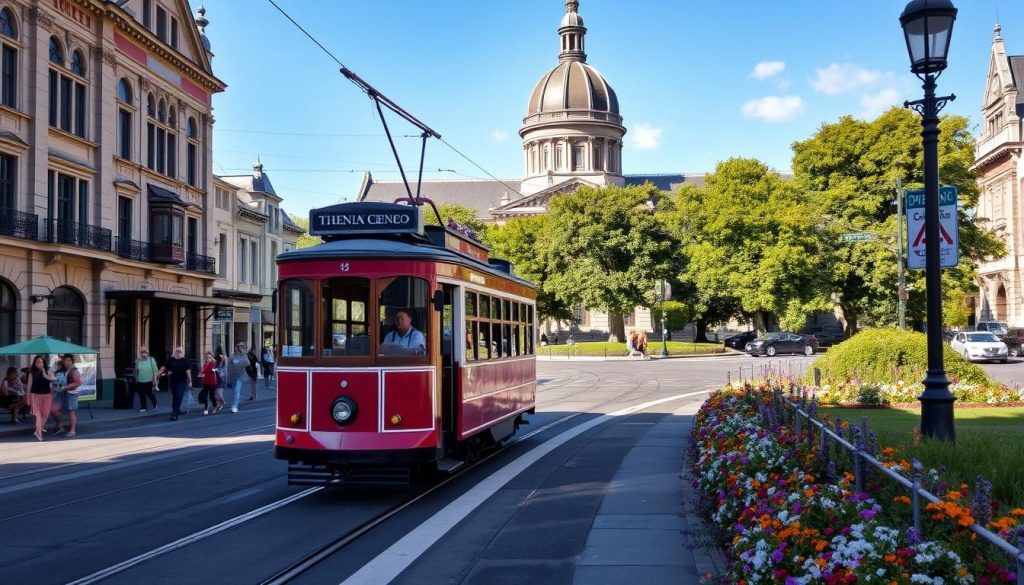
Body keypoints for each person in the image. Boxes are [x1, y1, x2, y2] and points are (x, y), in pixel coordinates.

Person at [157, 345, 192, 421]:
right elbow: (164, 368)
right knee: (175, 397)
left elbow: (188, 371)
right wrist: (157, 374)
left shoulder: (185, 360)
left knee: (179, 395)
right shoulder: (170, 360)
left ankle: (174, 413)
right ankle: (177, 410)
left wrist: (190, 381)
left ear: (182, 352)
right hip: (173, 381)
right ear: (174, 351)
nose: (178, 352)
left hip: (182, 381)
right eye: (177, 351)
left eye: (180, 351)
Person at [26, 355, 55, 441]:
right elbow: (29, 386)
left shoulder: (48, 370)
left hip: (47, 395)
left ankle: (38, 429)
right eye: (38, 362)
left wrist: (44, 374)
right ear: (34, 363)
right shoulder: (32, 372)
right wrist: (28, 398)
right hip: (35, 395)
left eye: (42, 361)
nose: (40, 363)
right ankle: (39, 434)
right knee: (38, 415)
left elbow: (53, 379)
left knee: (45, 414)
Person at [52, 354, 82, 437]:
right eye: (65, 360)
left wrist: (66, 387)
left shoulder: (74, 371)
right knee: (54, 409)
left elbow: (77, 383)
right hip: (64, 392)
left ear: (72, 361)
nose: (67, 362)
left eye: (69, 360)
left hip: (72, 394)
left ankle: (72, 430)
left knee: (71, 412)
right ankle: (59, 425)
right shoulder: (67, 370)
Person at [225, 343, 250, 413]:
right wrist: (228, 378)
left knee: (236, 390)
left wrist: (244, 354)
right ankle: (234, 403)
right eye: (240, 347)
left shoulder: (244, 357)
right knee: (234, 391)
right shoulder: (231, 358)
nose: (241, 349)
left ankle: (234, 406)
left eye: (242, 347)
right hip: (233, 376)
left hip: (241, 376)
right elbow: (229, 368)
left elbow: (248, 363)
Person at [133, 347, 159, 413]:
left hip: (149, 380)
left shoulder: (151, 359)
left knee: (149, 393)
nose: (143, 354)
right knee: (141, 394)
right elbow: (135, 370)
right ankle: (143, 407)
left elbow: (155, 370)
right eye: (142, 352)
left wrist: (155, 379)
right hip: (140, 380)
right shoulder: (138, 360)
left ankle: (155, 404)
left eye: (145, 353)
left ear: (147, 353)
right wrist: (136, 378)